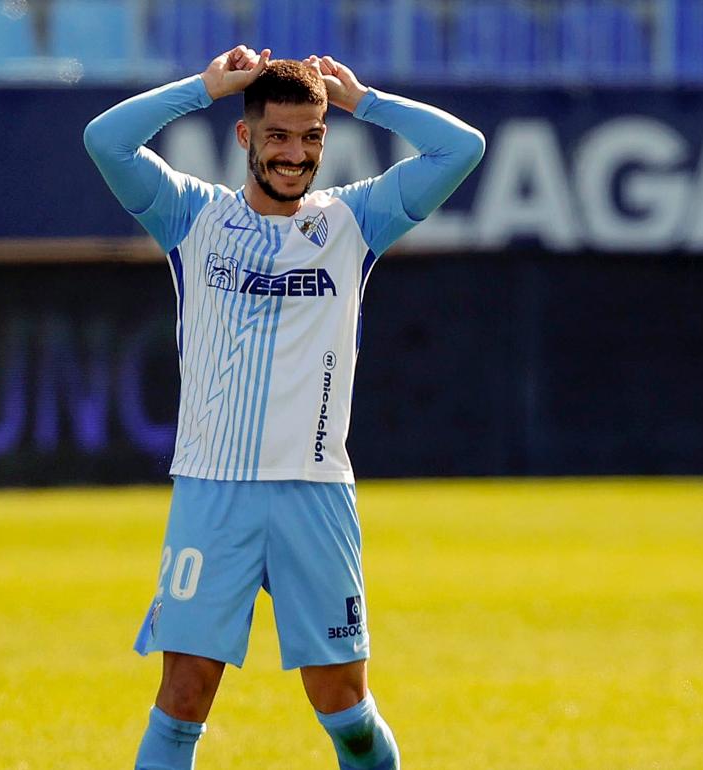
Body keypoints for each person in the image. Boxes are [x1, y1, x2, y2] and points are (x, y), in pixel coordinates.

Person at [83, 45, 484, 770]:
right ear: (246, 138)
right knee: (184, 692)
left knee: (345, 708)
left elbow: (464, 147)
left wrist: (364, 101)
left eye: (311, 137)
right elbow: (104, 140)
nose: (295, 154)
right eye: (277, 136)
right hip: (214, 489)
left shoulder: (353, 222)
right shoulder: (191, 217)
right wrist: (205, 88)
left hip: (315, 491)